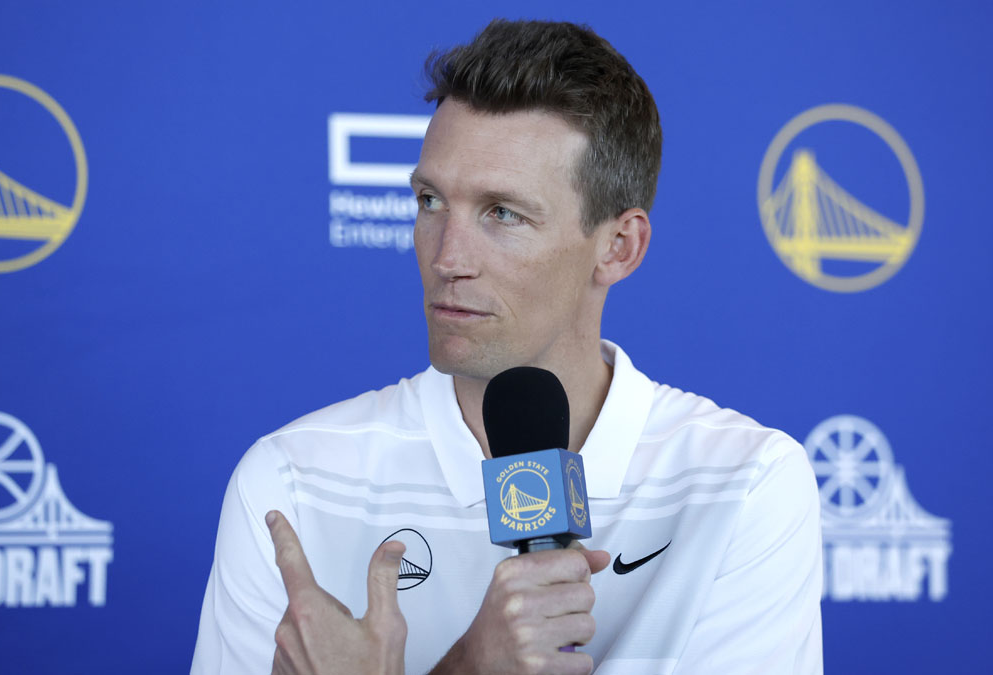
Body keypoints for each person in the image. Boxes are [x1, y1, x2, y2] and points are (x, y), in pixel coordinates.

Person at [191, 19, 822, 675]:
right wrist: (469, 665)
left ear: (618, 247)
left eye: (503, 213)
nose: (447, 258)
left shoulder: (745, 483)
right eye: (431, 201)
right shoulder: (291, 482)